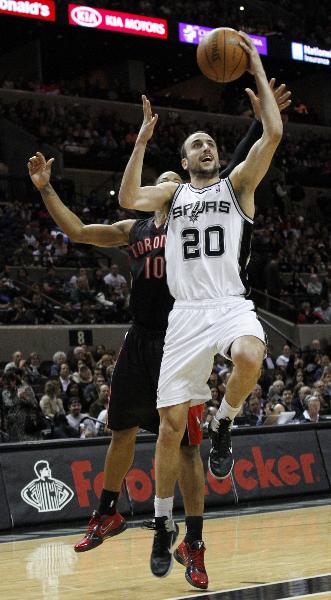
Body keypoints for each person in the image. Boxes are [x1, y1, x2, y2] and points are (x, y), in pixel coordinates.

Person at [28, 65, 289, 588]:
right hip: (159, 333)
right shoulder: (144, 223)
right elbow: (94, 220)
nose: (170, 185)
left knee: (216, 402)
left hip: (206, 315)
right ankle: (132, 515)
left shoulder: (217, 195)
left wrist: (257, 93)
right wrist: (52, 186)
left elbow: (251, 153)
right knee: (135, 432)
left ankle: (202, 498)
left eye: (206, 145)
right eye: (188, 152)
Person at [118, 32, 286, 578]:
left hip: (228, 303)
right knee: (167, 429)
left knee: (251, 357)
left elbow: (275, 133)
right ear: (184, 159)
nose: (206, 147)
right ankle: (163, 527)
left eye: (210, 141)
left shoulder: (238, 187)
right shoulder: (172, 197)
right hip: (184, 316)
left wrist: (256, 68)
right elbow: (125, 199)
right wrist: (142, 141)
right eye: (195, 144)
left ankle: (224, 424)